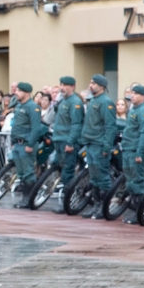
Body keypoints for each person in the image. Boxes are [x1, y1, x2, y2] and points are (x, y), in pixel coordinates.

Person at [79, 74, 117, 219]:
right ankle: (96, 206)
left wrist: (107, 146)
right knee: (94, 177)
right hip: (90, 142)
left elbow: (110, 126)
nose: (90, 85)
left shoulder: (106, 102)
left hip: (99, 144)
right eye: (90, 82)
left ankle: (104, 207)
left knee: (102, 177)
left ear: (101, 86)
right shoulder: (94, 100)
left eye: (93, 83)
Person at [120, 85, 144, 224]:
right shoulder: (133, 110)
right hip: (128, 149)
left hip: (135, 151)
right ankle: (135, 211)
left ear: (143, 97)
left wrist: (139, 152)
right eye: (132, 93)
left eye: (136, 93)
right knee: (130, 182)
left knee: (138, 182)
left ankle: (140, 213)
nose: (132, 96)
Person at [51, 76, 84, 213]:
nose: (62, 87)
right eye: (61, 84)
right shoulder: (63, 101)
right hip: (59, 138)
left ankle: (67, 202)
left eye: (66, 85)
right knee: (61, 168)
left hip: (67, 140)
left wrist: (70, 142)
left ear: (73, 87)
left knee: (68, 172)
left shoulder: (75, 102)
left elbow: (76, 125)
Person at [9, 82, 42, 208]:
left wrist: (30, 144)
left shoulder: (32, 107)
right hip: (18, 144)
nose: (16, 93)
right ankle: (24, 198)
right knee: (21, 173)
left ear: (26, 93)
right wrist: (13, 141)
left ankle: (29, 199)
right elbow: (16, 126)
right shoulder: (19, 106)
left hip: (26, 144)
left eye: (19, 91)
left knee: (28, 173)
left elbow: (36, 128)